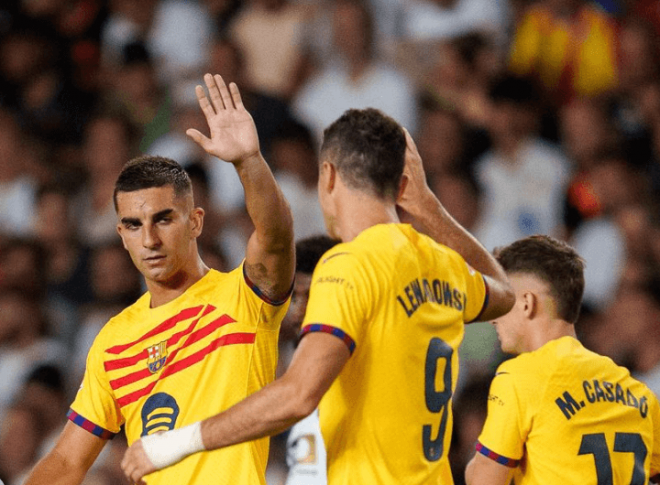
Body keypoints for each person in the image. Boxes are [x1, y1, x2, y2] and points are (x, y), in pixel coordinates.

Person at [121, 107, 515, 484]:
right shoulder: (439, 262)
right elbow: (504, 292)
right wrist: (428, 204)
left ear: (327, 176)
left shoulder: (349, 264)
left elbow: (298, 394)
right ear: (400, 184)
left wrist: (172, 444)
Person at [23, 74, 295, 485]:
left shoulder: (242, 298)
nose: (148, 239)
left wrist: (248, 162)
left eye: (163, 219)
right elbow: (66, 461)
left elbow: (275, 238)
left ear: (196, 221)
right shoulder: (113, 341)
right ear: (121, 235)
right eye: (133, 225)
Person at [465, 235, 660, 485]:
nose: (493, 317)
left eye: (504, 298)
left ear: (526, 303)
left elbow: (484, 480)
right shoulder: (636, 391)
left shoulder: (520, 377)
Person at [279, 235, 340, 485]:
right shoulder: (296, 380)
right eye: (294, 298)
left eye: (312, 296)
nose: (299, 313)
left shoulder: (361, 385)